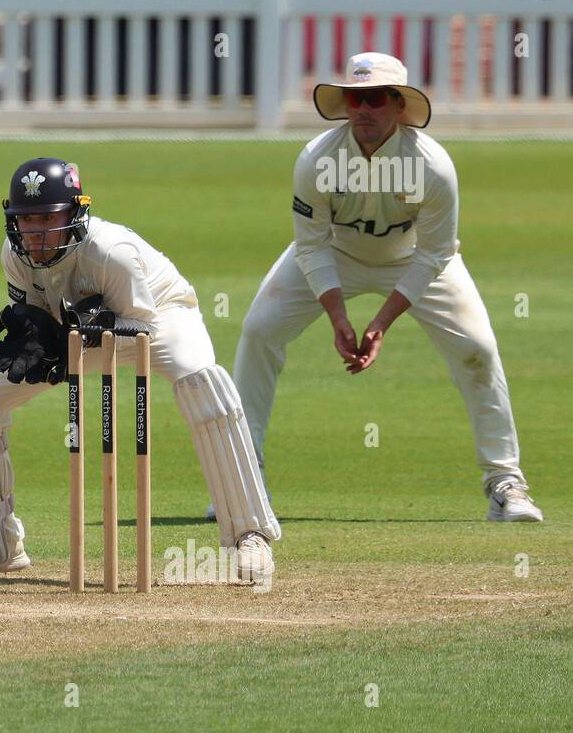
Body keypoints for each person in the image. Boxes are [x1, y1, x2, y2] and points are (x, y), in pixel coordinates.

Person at [0, 158, 280, 584]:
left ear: (75, 213)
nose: (37, 231)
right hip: (78, 333)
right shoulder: (15, 254)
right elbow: (36, 315)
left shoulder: (109, 250)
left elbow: (141, 326)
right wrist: (39, 341)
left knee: (201, 381)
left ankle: (250, 535)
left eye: (47, 217)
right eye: (26, 220)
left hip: (159, 317)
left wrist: (90, 326)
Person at [231, 52, 542, 523]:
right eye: (354, 99)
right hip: (335, 252)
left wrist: (380, 322)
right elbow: (310, 245)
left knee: (479, 348)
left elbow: (436, 253)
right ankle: (242, 484)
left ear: (399, 105)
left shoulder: (432, 165)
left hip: (413, 258)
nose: (362, 110)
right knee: (258, 331)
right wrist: (338, 317)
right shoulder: (317, 159)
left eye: (374, 99)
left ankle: (505, 483)